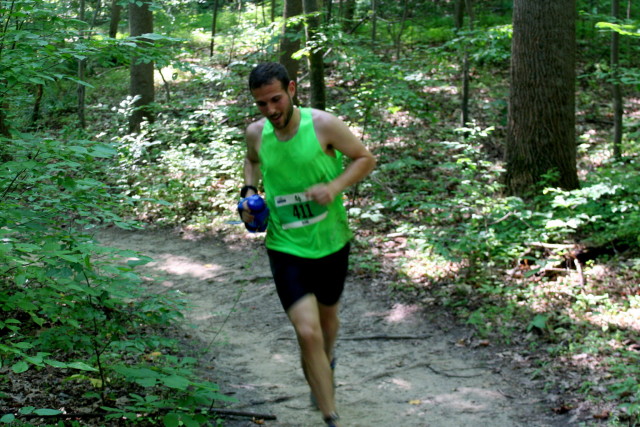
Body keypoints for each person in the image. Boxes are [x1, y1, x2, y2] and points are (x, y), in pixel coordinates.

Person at [240, 62, 376, 427]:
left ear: (292, 89)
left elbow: (365, 158)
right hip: (285, 247)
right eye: (261, 104)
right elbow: (252, 162)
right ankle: (330, 414)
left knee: (327, 324)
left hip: (331, 242)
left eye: (275, 99)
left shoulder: (323, 125)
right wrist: (249, 193)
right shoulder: (256, 133)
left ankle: (325, 364)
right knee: (307, 331)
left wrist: (333, 187)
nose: (270, 111)